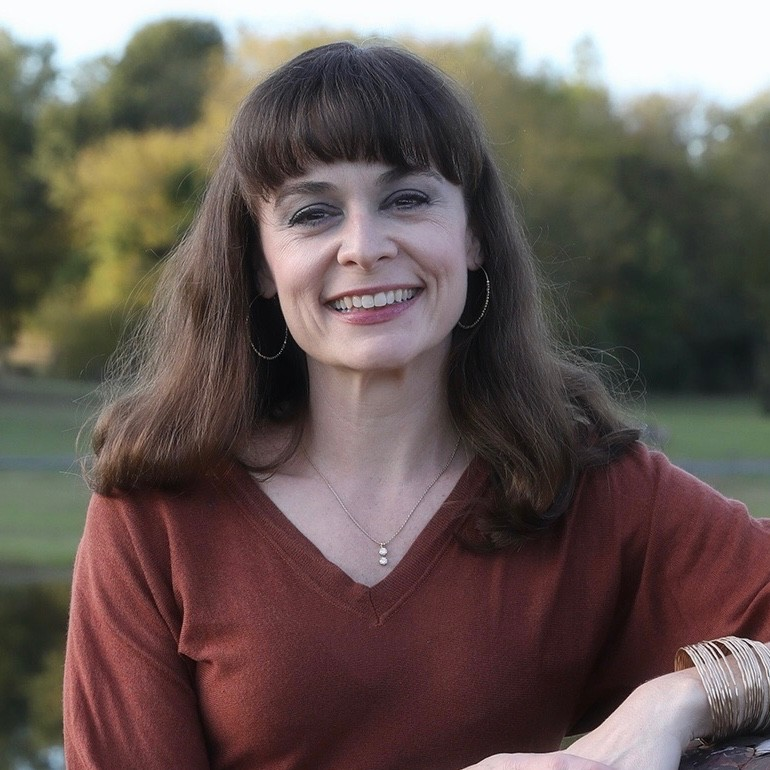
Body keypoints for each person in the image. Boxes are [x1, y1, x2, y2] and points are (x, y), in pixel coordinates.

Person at [63, 41, 770, 770]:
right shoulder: (157, 513)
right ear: (259, 263)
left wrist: (682, 698)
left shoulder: (581, 483)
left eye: (406, 199)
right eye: (312, 213)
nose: (363, 248)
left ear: (474, 235)